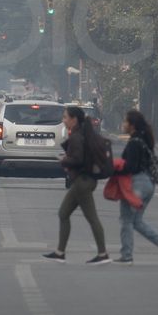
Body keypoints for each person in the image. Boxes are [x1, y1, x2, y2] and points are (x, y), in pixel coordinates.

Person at [43, 106, 110, 265]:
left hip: (82, 182)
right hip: (85, 181)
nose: (63, 120)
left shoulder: (76, 137)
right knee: (63, 213)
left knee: (91, 217)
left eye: (65, 117)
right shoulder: (83, 135)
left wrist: (63, 160)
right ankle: (60, 252)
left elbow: (78, 159)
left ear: (74, 120)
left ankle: (102, 253)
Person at [113, 110, 158, 266]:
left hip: (137, 183)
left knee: (126, 219)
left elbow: (131, 166)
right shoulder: (144, 139)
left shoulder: (134, 143)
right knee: (136, 221)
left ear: (131, 125)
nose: (122, 124)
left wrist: (115, 168)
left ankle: (126, 256)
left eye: (125, 122)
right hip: (148, 184)